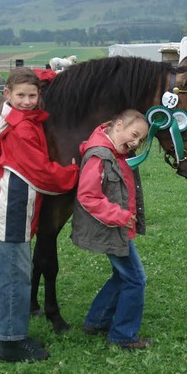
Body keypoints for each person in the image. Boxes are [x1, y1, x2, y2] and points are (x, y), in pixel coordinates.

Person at [0, 67, 79, 363]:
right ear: (7, 94)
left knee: (13, 269)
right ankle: (11, 342)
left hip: (16, 204)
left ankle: (9, 330)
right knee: (15, 273)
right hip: (15, 205)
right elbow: (42, 173)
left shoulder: (18, 115)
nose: (27, 101)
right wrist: (73, 172)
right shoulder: (22, 129)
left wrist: (53, 76)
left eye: (33, 95)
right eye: (21, 96)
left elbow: (39, 76)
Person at [71, 109, 151, 350]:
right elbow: (88, 196)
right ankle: (123, 335)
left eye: (141, 140)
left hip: (118, 227)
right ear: (117, 125)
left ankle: (96, 321)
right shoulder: (99, 155)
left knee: (122, 276)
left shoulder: (116, 152)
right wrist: (120, 215)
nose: (136, 142)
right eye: (134, 134)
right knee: (136, 279)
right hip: (112, 227)